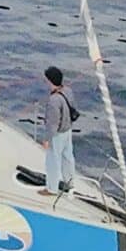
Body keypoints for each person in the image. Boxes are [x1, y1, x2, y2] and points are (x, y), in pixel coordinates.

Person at [39, 65, 79, 194]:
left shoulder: (53, 100)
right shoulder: (68, 91)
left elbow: (52, 124)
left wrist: (46, 139)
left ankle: (51, 188)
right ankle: (70, 183)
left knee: (52, 161)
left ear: (50, 80)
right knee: (68, 157)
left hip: (57, 134)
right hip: (67, 130)